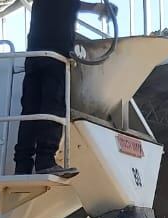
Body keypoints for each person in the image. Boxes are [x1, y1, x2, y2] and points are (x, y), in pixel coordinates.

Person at [14, 0, 115, 174]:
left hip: (34, 54)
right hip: (54, 54)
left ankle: (22, 165)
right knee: (52, 106)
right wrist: (96, 8)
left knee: (31, 110)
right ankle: (45, 160)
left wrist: (95, 8)